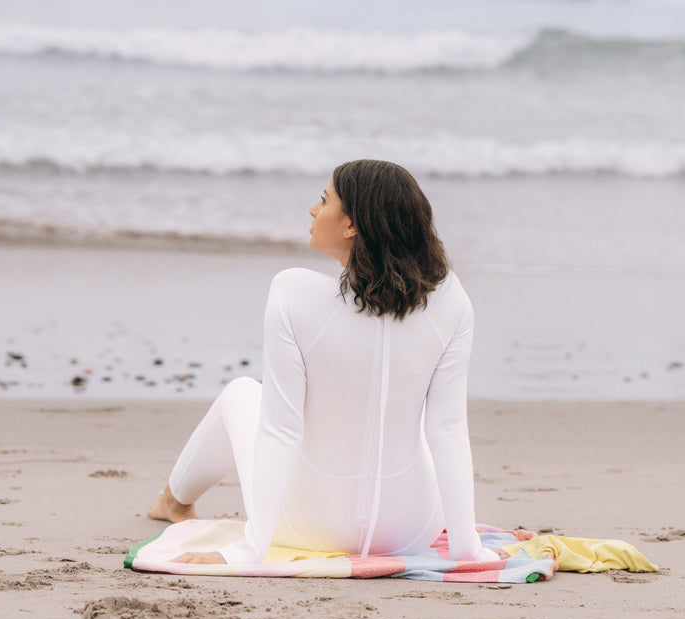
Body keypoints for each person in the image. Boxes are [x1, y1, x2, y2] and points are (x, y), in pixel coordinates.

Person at [147, 159, 499, 566]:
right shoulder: (452, 300)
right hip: (412, 531)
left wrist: (249, 551)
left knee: (242, 393)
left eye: (324, 199)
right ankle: (171, 501)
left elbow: (281, 427)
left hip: (304, 528)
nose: (313, 210)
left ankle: (173, 501)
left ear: (351, 225)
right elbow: (447, 429)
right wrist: (467, 549)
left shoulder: (293, 293)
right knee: (419, 420)